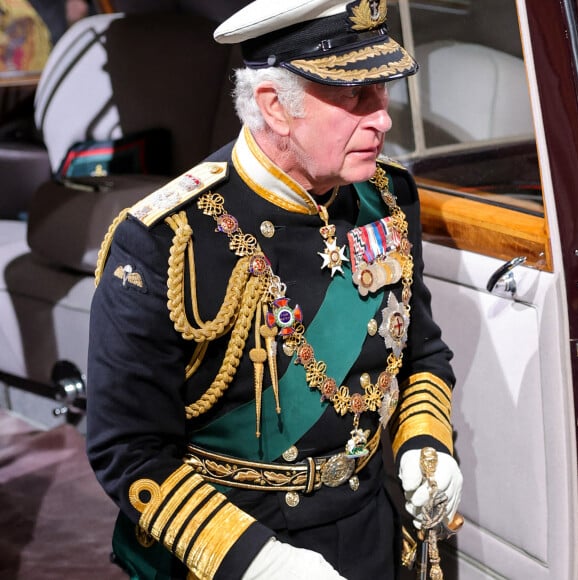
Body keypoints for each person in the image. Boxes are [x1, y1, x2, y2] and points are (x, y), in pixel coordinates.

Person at [86, 0, 463, 578]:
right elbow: (130, 450)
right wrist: (256, 562)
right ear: (274, 108)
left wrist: (425, 446)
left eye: (382, 90)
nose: (383, 118)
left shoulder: (389, 198)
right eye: (354, 95)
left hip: (371, 533)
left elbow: (421, 354)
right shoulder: (168, 239)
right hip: (234, 544)